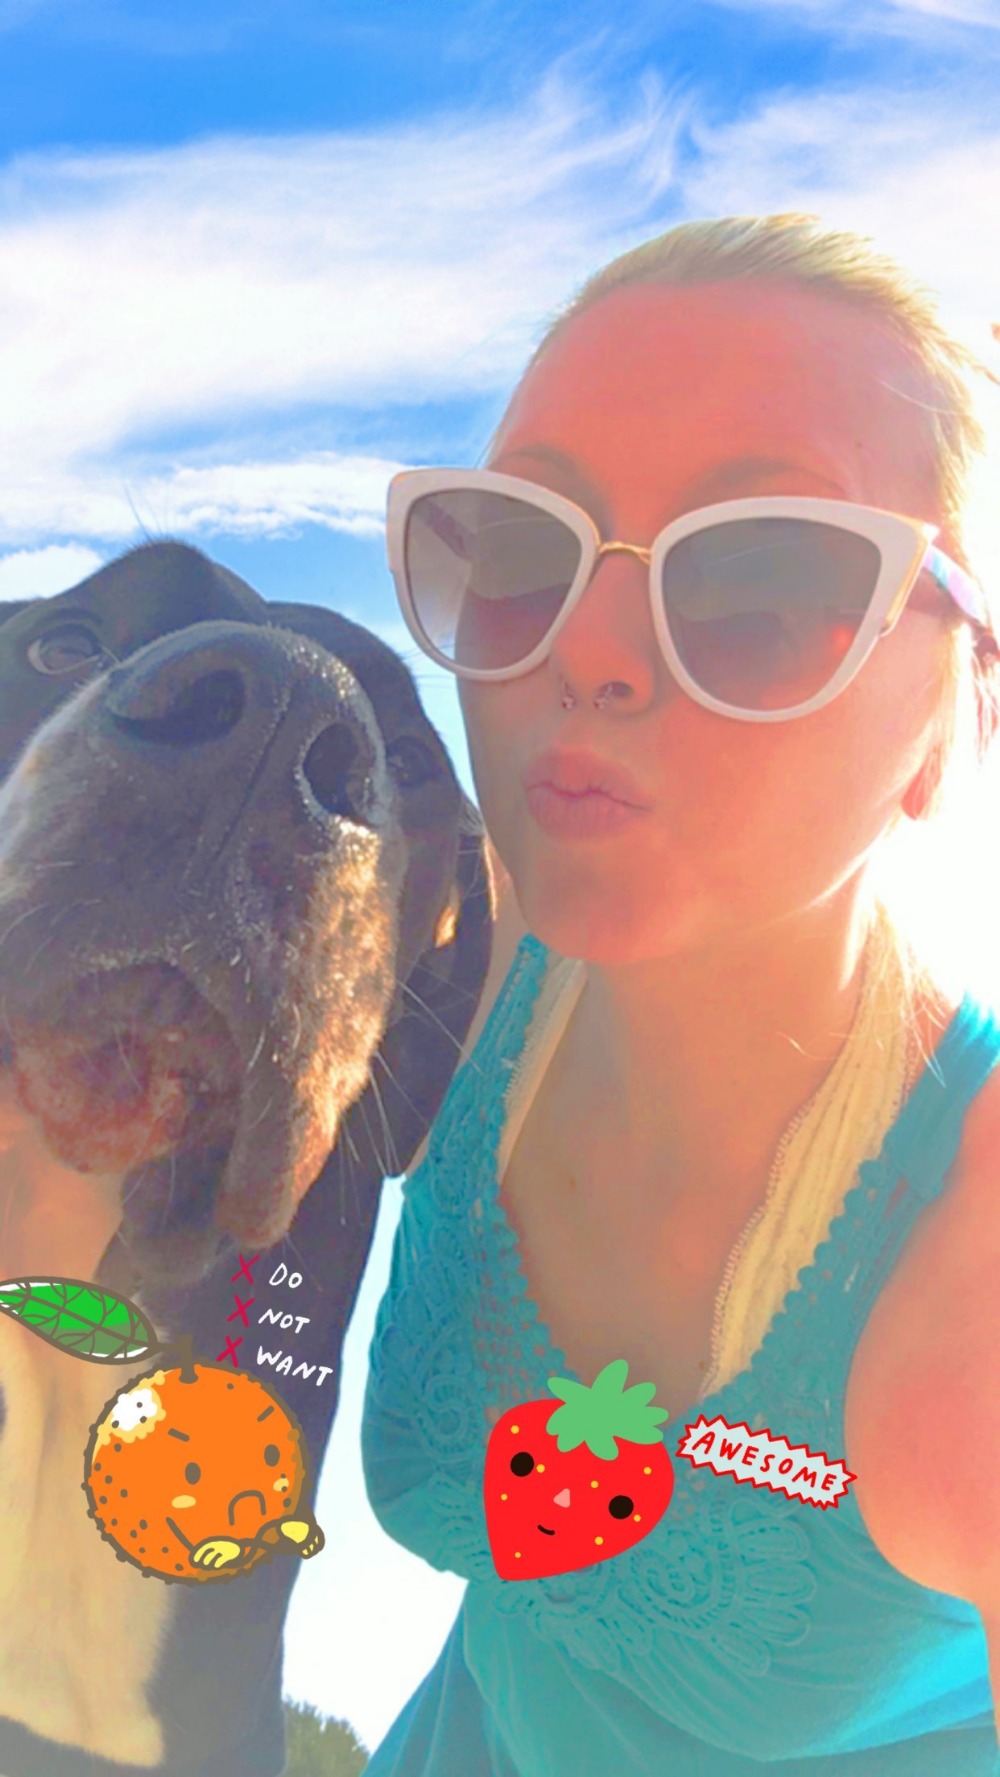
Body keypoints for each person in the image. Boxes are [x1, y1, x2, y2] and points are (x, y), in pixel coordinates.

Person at [361, 212, 1000, 1773]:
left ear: (951, 718)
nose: (588, 653)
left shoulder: (967, 1238)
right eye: (520, 556)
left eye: (762, 581)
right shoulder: (444, 961)